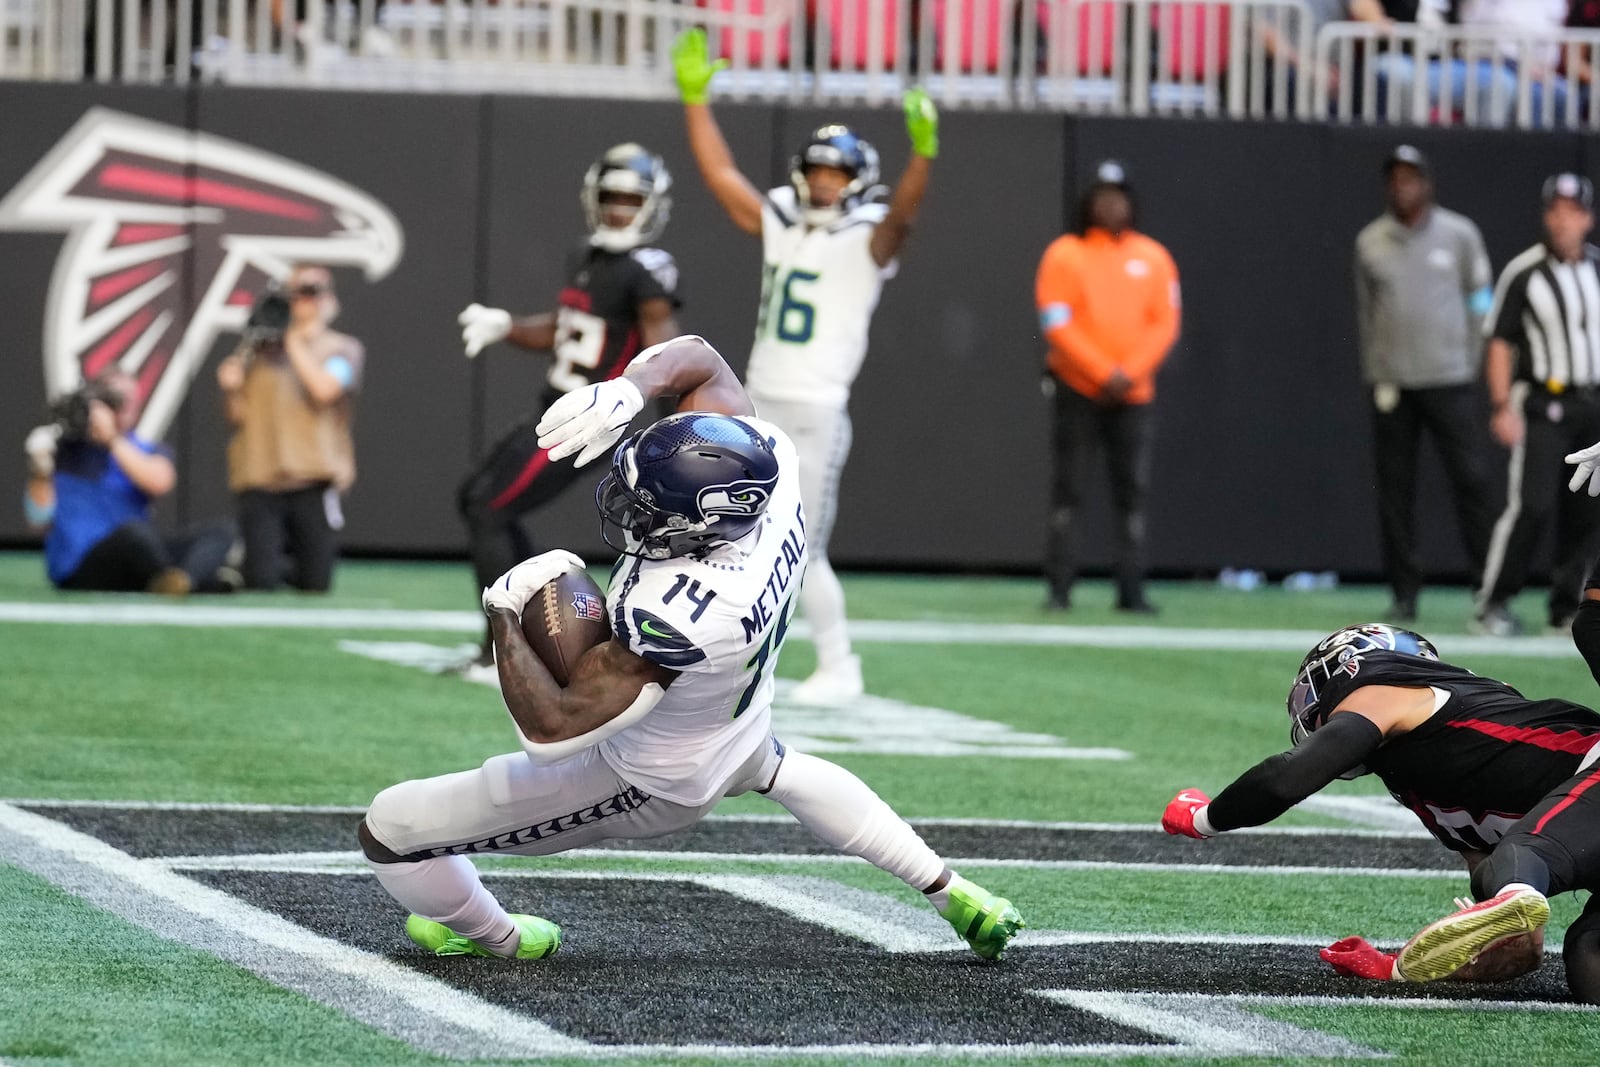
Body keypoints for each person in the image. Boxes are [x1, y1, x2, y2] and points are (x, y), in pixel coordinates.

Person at [356, 334, 1025, 964]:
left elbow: (551, 729)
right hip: (734, 718)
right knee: (778, 768)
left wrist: (503, 613)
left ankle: (495, 937)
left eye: (650, 511)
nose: (631, 513)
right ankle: (955, 891)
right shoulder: (769, 463)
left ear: (706, 523)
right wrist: (627, 388)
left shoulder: (683, 611)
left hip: (647, 777)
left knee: (390, 830)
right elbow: (701, 359)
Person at [669, 28, 940, 704]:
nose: (824, 182)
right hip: (758, 403)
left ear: (857, 182)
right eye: (819, 170)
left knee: (802, 544)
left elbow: (901, 219)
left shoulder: (869, 234)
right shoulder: (783, 217)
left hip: (817, 409)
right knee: (729, 533)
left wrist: (923, 156)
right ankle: (724, 658)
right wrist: (696, 102)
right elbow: (723, 181)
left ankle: (839, 663)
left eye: (837, 174)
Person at [1160, 618, 1600, 1003]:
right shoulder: (1423, 779)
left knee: (1518, 862)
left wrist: (1204, 818)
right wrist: (1400, 967)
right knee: (1588, 960)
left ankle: (1520, 885)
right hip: (1572, 825)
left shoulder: (1389, 687)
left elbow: (1285, 780)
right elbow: (1519, 948)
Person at [453, 144, 681, 677]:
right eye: (611, 197)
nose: (620, 209)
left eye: (631, 199)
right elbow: (569, 329)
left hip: (587, 423)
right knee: (477, 500)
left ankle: (508, 649)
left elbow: (663, 358)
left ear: (652, 205)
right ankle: (527, 631)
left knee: (488, 507)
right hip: (554, 407)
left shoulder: (649, 272)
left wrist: (673, 429)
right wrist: (507, 325)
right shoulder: (589, 256)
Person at [1353, 145, 1497, 623]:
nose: (1402, 186)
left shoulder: (1459, 235)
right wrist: (1378, 373)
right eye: (1395, 178)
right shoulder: (1370, 241)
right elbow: (1366, 315)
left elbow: (1481, 302)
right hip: (1394, 383)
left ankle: (1488, 586)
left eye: (1411, 178)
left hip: (1449, 378)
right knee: (1395, 491)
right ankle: (1405, 593)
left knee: (1472, 482)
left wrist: (1472, 362)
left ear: (1428, 184)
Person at [1035, 160, 1180, 614]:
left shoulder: (1153, 257)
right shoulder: (1065, 254)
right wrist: (1101, 371)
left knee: (1131, 495)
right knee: (1069, 490)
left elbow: (1165, 323)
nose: (1111, 205)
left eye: (1118, 196)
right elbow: (1056, 321)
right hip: (1078, 389)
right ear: (1088, 204)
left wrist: (1130, 372)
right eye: (1102, 196)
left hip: (1133, 396)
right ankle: (1060, 589)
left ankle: (1131, 590)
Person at [1474, 173, 1600, 636]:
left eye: (1572, 211)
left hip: (1594, 404)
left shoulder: (1597, 268)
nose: (1563, 220)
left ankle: (1566, 605)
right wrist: (1502, 403)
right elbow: (1500, 342)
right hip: (1546, 402)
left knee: (1586, 510)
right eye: (1556, 211)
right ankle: (1495, 601)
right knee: (1533, 505)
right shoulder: (1525, 272)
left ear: (1587, 218)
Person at [215, 263, 364, 593]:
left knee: (315, 583)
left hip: (311, 476)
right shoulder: (255, 352)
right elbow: (237, 416)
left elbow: (324, 391)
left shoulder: (340, 348)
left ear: (327, 300)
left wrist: (294, 339)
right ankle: (252, 563)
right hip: (261, 478)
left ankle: (275, 565)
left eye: (312, 292)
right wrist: (231, 388)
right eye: (295, 293)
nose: (302, 301)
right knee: (260, 582)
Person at [23, 368, 236, 595]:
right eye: (114, 398)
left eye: (130, 399)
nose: (124, 405)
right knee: (134, 534)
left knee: (221, 530)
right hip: (82, 563)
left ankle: (182, 580)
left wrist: (112, 439)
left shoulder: (144, 449)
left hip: (140, 556)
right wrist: (40, 472)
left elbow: (160, 482)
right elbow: (38, 519)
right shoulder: (66, 450)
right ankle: (195, 581)